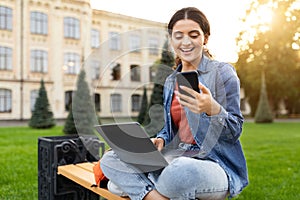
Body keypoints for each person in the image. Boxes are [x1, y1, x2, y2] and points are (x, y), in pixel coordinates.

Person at [100, 7, 248, 200]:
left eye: (193, 35)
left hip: (211, 164)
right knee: (109, 160)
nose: (185, 42)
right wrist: (160, 139)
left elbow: (234, 131)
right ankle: (158, 195)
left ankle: (146, 188)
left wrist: (214, 110)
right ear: (171, 40)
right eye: (178, 36)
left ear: (206, 38)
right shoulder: (171, 81)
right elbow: (172, 130)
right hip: (174, 156)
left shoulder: (223, 74)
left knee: (177, 172)